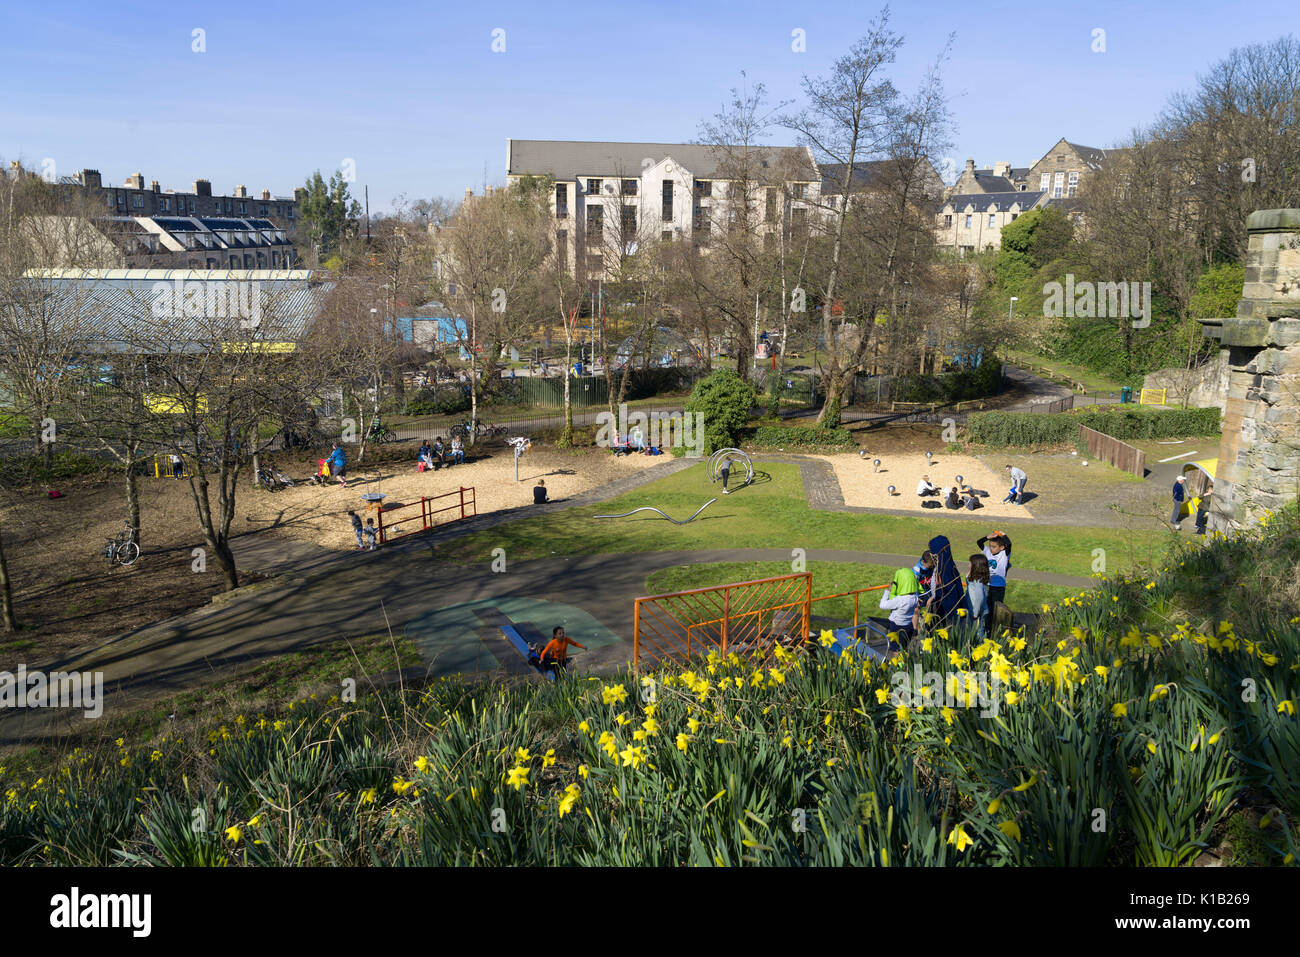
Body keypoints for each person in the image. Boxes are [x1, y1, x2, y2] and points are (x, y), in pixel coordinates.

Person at [924, 535, 973, 625]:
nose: (931, 554)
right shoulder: (939, 567)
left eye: (932, 551)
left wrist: (935, 599)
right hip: (939, 611)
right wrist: (932, 597)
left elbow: (949, 596)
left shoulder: (946, 570)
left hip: (948, 616)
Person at [879, 567, 921, 653]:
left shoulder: (899, 600)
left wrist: (888, 591)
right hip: (908, 625)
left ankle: (899, 665)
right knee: (905, 648)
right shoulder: (915, 598)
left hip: (896, 627)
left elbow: (882, 605)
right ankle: (906, 664)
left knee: (895, 649)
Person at [976, 533, 1012, 609]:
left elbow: (1009, 545)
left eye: (994, 547)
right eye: (990, 546)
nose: (991, 548)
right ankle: (986, 621)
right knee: (986, 608)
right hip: (987, 585)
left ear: (1002, 547)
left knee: (996, 608)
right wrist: (987, 537)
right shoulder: (988, 552)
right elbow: (979, 542)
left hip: (999, 587)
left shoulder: (1004, 554)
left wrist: (1003, 535)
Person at [966, 554, 991, 639]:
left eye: (970, 563)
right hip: (977, 609)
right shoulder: (977, 578)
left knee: (978, 631)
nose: (968, 565)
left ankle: (982, 645)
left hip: (976, 611)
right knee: (976, 629)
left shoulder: (977, 583)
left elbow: (979, 598)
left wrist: (975, 613)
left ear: (976, 567)